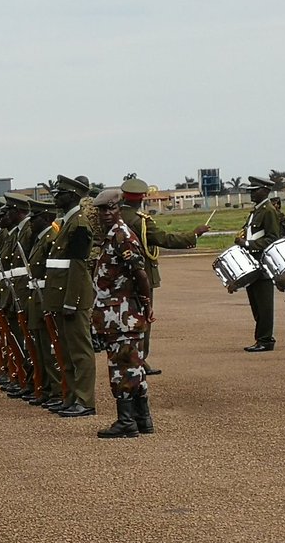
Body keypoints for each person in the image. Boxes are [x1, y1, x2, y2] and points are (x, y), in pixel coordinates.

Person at [118, 177, 207, 373]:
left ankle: (127, 358)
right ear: (141, 198)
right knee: (143, 318)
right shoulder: (139, 221)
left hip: (118, 277)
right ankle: (139, 361)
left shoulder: (116, 218)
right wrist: (194, 235)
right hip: (141, 276)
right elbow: (164, 239)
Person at [90, 189, 154, 438]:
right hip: (117, 314)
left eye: (111, 209)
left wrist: (146, 303)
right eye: (101, 210)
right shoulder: (113, 235)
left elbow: (140, 273)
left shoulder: (121, 236)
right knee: (133, 367)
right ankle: (142, 418)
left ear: (120, 209)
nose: (106, 214)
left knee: (122, 369)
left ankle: (126, 422)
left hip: (121, 314)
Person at [42, 174, 96, 418]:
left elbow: (77, 266)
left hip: (72, 297)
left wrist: (70, 302)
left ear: (73, 196)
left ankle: (85, 400)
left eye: (60, 193)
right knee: (65, 350)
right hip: (60, 295)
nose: (56, 196)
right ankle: (71, 396)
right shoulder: (65, 222)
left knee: (80, 351)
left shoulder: (79, 224)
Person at [237, 175, 283, 352]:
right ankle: (261, 338)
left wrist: (248, 244)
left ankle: (265, 339)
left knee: (264, 306)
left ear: (265, 191)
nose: (251, 194)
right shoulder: (257, 210)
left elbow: (273, 238)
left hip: (262, 264)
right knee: (256, 303)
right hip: (252, 263)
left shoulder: (269, 211)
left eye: (254, 191)